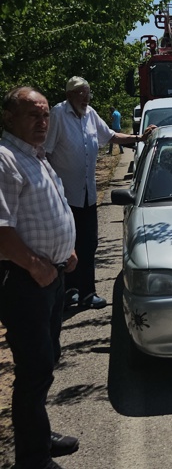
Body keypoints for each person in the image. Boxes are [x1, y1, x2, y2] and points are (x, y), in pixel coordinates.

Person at [0, 86, 80, 469]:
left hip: (51, 275)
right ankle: (32, 459)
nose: (42, 122)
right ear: (9, 117)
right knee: (33, 369)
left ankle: (40, 434)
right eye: (33, 115)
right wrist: (35, 264)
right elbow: (1, 230)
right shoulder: (5, 160)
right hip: (25, 281)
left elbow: (54, 206)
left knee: (46, 362)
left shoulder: (35, 157)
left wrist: (67, 250)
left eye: (46, 115)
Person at [45, 76, 155, 310]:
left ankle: (87, 293)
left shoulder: (90, 114)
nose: (86, 98)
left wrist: (139, 138)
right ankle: (68, 292)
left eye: (88, 94)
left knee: (89, 244)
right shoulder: (58, 115)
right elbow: (45, 152)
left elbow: (112, 136)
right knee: (66, 245)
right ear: (70, 95)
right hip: (63, 196)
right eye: (82, 94)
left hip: (87, 193)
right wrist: (46, 187)